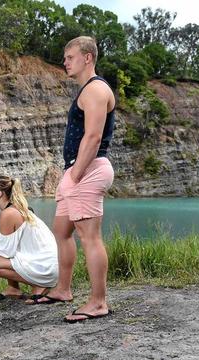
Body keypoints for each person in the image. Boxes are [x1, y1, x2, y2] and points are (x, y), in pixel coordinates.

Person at [35, 36, 115, 324]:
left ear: (87, 57)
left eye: (69, 57)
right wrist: (70, 174)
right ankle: (64, 290)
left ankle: (98, 302)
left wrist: (77, 175)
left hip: (88, 170)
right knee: (61, 231)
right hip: (76, 170)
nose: (65, 62)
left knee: (89, 237)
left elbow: (93, 136)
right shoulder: (87, 90)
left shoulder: (95, 90)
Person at [0, 174, 59, 303]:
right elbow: (9, 247)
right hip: (48, 265)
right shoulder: (16, 208)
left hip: (46, 269)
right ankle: (13, 288)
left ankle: (40, 286)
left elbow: (6, 252)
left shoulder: (8, 213)